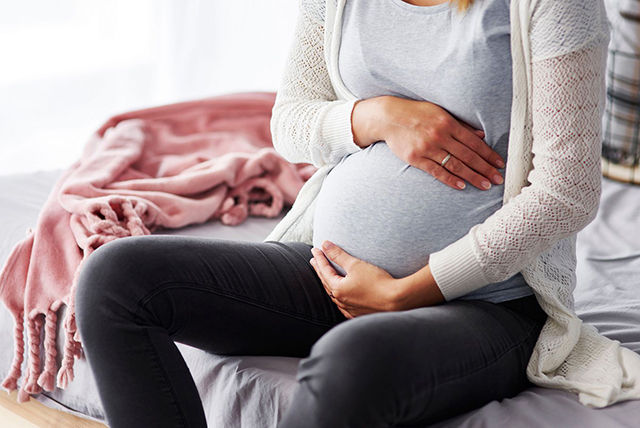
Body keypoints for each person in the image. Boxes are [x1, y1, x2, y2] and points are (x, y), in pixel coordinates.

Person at [75, 0, 622, 427]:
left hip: (488, 304)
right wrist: (376, 116)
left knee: (350, 362)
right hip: (330, 275)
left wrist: (407, 293)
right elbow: (289, 120)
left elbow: (565, 192)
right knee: (115, 279)